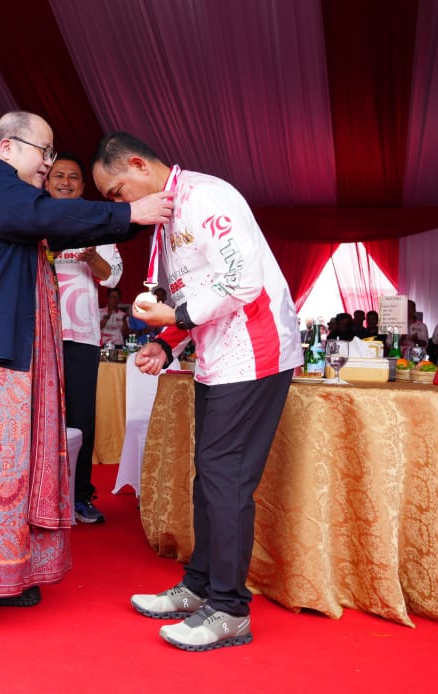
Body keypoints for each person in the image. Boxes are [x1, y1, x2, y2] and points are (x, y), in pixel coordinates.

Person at [0, 111, 172, 638]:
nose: (49, 163)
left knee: (0, 470)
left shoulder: (10, 191)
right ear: (8, 146)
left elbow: (49, 221)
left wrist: (133, 220)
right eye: (44, 152)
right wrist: (130, 212)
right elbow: (49, 216)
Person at [92, 131, 302, 652]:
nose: (122, 204)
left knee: (225, 477)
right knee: (209, 474)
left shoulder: (207, 196)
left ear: (138, 165)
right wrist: (166, 343)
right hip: (219, 357)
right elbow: (197, 293)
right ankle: (201, 586)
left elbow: (243, 280)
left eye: (118, 191)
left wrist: (176, 315)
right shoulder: (170, 215)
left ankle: (230, 609)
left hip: (255, 352)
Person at [48, 153, 124, 524]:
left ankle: (79, 496)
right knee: (36, 416)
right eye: (58, 175)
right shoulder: (32, 217)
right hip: (38, 334)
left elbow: (113, 276)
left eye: (73, 177)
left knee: (80, 417)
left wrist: (92, 256)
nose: (65, 182)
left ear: (82, 185)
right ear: (47, 181)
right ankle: (35, 495)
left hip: (81, 336)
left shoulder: (96, 222)